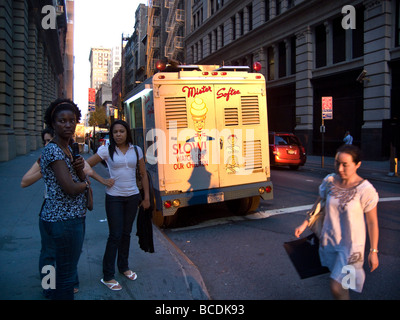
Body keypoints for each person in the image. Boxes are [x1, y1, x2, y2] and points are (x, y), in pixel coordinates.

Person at [295, 144, 379, 300]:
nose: (340, 168)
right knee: (342, 287)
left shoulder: (365, 190)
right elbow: (319, 203)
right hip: (330, 242)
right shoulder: (330, 181)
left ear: (357, 164)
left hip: (351, 249)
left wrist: (373, 251)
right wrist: (305, 223)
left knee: (336, 285)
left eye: (345, 165)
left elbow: (372, 222)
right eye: (337, 163)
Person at [86, 119, 150, 291]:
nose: (118, 134)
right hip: (114, 197)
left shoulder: (136, 150)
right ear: (112, 134)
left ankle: (123, 267)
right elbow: (85, 166)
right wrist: (102, 180)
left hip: (132, 197)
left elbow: (143, 174)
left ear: (127, 132)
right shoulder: (106, 150)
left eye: (121, 131)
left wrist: (147, 198)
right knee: (115, 235)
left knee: (126, 233)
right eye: (115, 132)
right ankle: (107, 276)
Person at [39, 98, 90, 300]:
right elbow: (70, 188)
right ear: (53, 124)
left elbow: (76, 179)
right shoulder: (53, 150)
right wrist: (85, 185)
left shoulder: (68, 149)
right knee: (64, 272)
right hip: (64, 220)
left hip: (56, 216)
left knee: (50, 258)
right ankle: (49, 290)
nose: (68, 125)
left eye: (72, 120)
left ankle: (49, 291)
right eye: (62, 121)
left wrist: (80, 172)